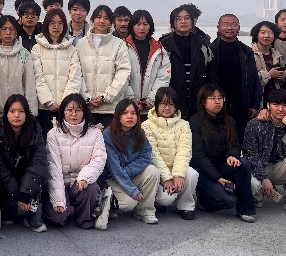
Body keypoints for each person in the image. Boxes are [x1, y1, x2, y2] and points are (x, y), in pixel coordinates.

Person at [189, 84, 257, 222]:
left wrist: (232, 155)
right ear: (203, 101)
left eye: (220, 98)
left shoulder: (229, 120)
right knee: (227, 201)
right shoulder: (195, 122)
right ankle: (204, 201)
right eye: (212, 98)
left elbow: (235, 144)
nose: (217, 101)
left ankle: (245, 209)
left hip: (223, 166)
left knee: (243, 163)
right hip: (205, 172)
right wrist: (217, 178)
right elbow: (197, 156)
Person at [242, 88, 286, 217]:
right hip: (257, 167)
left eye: (285, 105)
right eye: (276, 104)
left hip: (279, 167)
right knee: (254, 186)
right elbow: (250, 154)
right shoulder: (255, 124)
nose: (280, 109)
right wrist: (263, 177)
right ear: (268, 105)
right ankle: (257, 198)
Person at [44, 94, 109, 230]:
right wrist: (59, 201)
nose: (74, 114)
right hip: (60, 183)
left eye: (78, 110)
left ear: (84, 112)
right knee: (58, 218)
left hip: (80, 184)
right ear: (63, 112)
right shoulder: (53, 134)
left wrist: (85, 177)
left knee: (91, 187)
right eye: (69, 110)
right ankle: (65, 210)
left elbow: (99, 159)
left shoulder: (95, 133)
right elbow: (53, 168)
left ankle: (84, 217)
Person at [0, 94, 48, 233]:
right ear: (6, 114)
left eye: (21, 111)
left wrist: (25, 193)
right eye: (12, 111)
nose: (16, 115)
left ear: (26, 114)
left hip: (29, 181)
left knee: (36, 224)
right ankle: (10, 207)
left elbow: (38, 164)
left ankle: (30, 214)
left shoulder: (36, 133)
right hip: (8, 183)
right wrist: (16, 191)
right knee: (7, 219)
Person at [141, 87, 198, 219]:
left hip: (176, 168)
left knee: (191, 174)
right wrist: (167, 178)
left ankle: (186, 206)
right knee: (166, 199)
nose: (167, 108)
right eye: (163, 104)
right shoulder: (146, 125)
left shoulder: (184, 125)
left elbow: (184, 150)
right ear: (156, 104)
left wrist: (178, 174)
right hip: (158, 171)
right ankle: (156, 202)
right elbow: (153, 154)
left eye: (171, 104)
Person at [103, 99, 160, 224]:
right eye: (125, 113)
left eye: (133, 113)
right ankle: (107, 206)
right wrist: (133, 191)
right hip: (111, 179)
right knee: (129, 203)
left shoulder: (140, 133)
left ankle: (145, 211)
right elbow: (114, 168)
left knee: (153, 171)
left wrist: (127, 171)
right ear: (118, 116)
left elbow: (145, 157)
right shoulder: (108, 135)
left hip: (128, 175)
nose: (130, 116)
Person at [75, 5, 132, 127]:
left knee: (110, 138)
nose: (102, 21)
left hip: (111, 108)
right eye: (98, 17)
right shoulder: (81, 44)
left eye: (106, 18)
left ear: (111, 22)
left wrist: (105, 97)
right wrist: (86, 98)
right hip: (86, 108)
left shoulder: (119, 44)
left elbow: (123, 74)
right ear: (92, 20)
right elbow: (76, 74)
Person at [159, 5, 217, 118]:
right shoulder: (164, 45)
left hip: (198, 100)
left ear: (192, 22)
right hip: (171, 101)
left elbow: (211, 73)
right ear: (173, 23)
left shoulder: (202, 43)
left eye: (187, 18)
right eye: (179, 19)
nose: (183, 21)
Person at [32, 7, 83, 134]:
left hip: (67, 109)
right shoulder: (37, 48)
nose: (56, 27)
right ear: (46, 25)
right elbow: (37, 77)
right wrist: (49, 101)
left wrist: (66, 102)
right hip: (44, 107)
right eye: (52, 23)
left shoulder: (71, 49)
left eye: (60, 23)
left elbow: (75, 77)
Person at [209, 13, 262, 134]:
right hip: (216, 102)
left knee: (239, 137)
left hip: (241, 104)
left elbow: (254, 80)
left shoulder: (246, 51)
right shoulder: (210, 50)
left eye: (233, 25)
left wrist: (254, 105)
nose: (229, 28)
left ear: (239, 28)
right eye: (225, 24)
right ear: (218, 27)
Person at [0, 15, 39, 119]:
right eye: (4, 29)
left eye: (11, 29)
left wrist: (31, 113)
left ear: (16, 32)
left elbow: (29, 84)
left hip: (18, 113)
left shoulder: (24, 54)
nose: (8, 33)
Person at [123, 9, 171, 115]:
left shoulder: (159, 49)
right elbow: (120, 75)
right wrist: (131, 98)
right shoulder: (123, 47)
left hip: (152, 108)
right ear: (132, 26)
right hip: (127, 107)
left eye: (145, 24)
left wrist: (151, 100)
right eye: (138, 24)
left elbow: (163, 77)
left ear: (150, 26)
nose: (142, 28)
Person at [251, 21, 286, 104]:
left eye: (270, 33)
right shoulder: (250, 54)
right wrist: (269, 75)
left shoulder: (277, 55)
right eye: (263, 32)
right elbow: (249, 79)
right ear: (256, 35)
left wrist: (282, 76)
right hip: (256, 101)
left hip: (274, 101)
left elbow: (280, 82)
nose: (267, 36)